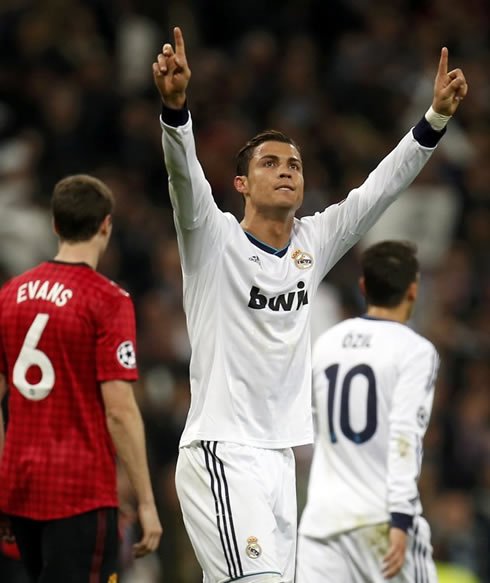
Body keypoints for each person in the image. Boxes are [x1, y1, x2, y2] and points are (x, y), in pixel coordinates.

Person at [152, 27, 467, 583]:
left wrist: (434, 121)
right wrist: (176, 111)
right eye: (271, 164)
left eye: (294, 165)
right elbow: (183, 177)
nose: (286, 171)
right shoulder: (211, 238)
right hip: (223, 449)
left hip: (279, 460)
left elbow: (379, 191)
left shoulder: (312, 243)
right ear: (242, 183)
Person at [0, 174, 162, 582]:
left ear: (55, 225)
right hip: (80, 492)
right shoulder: (108, 300)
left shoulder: (10, 295)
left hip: (20, 493)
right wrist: (145, 500)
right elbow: (120, 411)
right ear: (106, 224)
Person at [296, 240, 439, 582]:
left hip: (322, 524)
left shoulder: (327, 342)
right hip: (381, 518)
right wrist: (402, 517)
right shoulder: (416, 350)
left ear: (364, 287)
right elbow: (405, 436)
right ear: (413, 291)